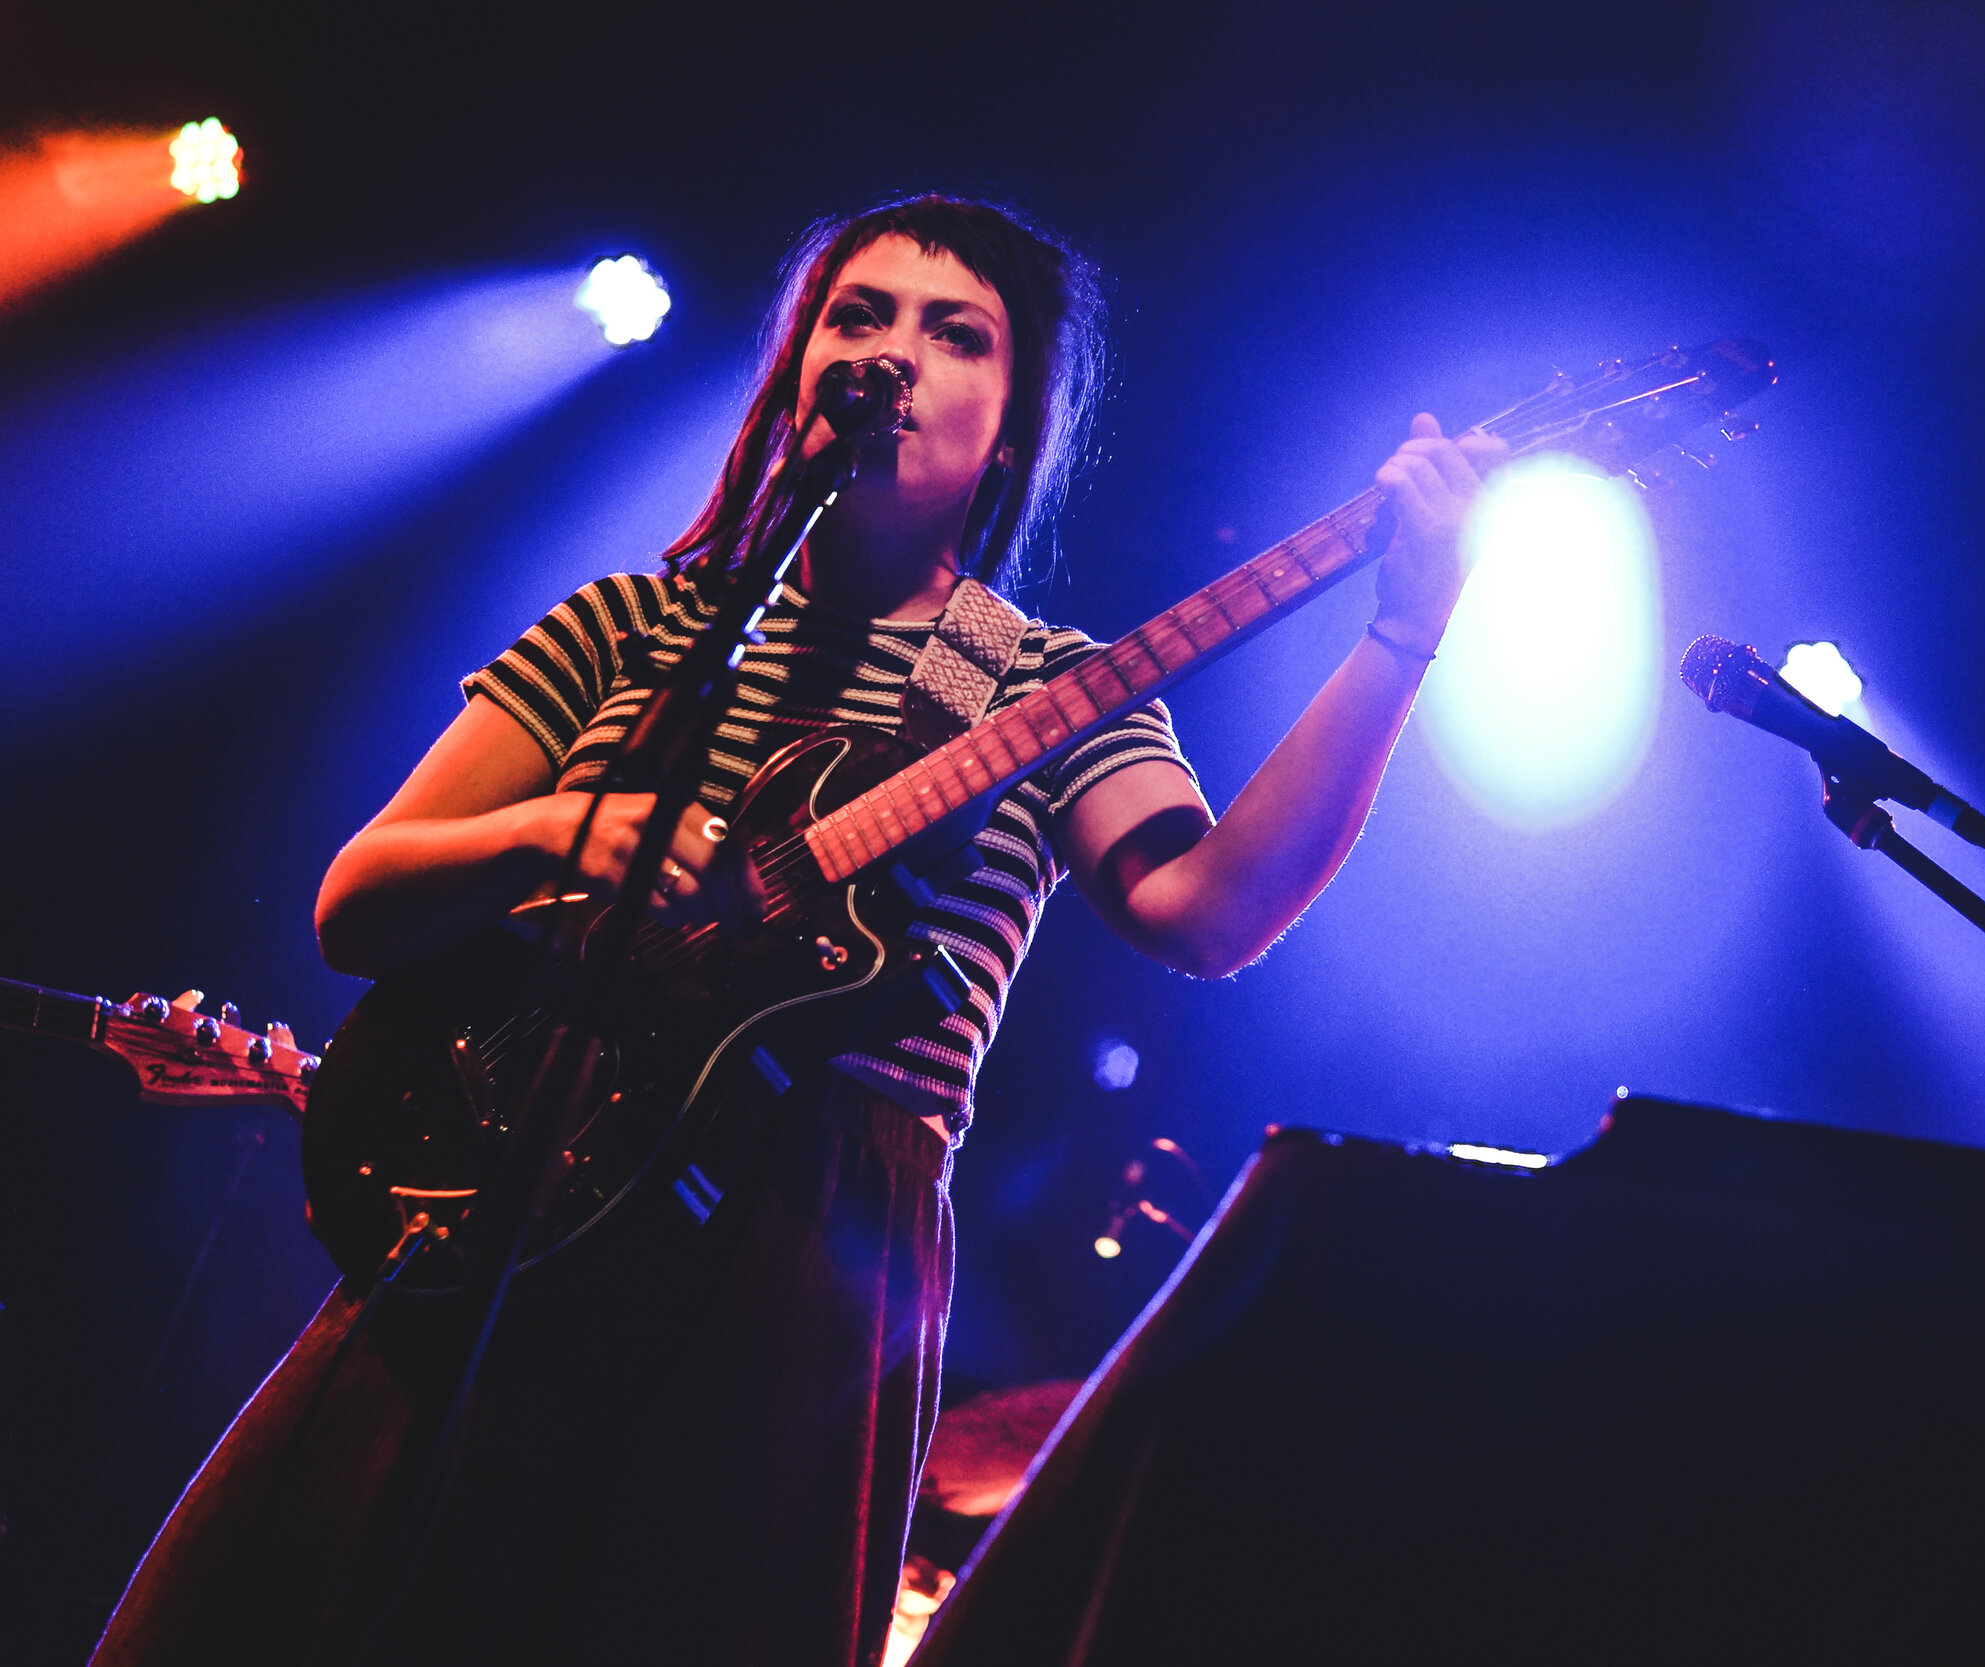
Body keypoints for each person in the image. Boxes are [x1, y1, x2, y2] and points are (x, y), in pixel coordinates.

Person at [91, 195, 1502, 1667]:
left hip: (812, 1245)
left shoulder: (1037, 685)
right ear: (795, 377)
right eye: (859, 316)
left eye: (956, 335)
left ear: (1010, 431)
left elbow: (1206, 916)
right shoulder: (631, 626)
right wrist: (548, 834)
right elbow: (355, 902)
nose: (894, 351)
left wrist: (1401, 638)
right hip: (528, 1182)